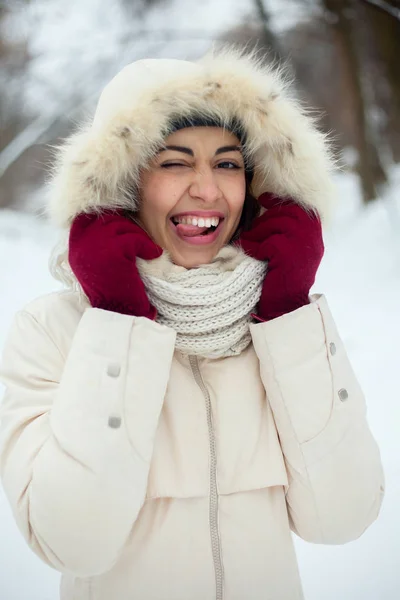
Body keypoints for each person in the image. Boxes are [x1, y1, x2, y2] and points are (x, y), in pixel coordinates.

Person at [0, 48, 384, 600]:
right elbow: (72, 541)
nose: (208, 190)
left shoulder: (280, 325)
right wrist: (119, 321)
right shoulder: (52, 331)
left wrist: (288, 311)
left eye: (228, 164)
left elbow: (343, 517)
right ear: (123, 181)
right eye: (175, 162)